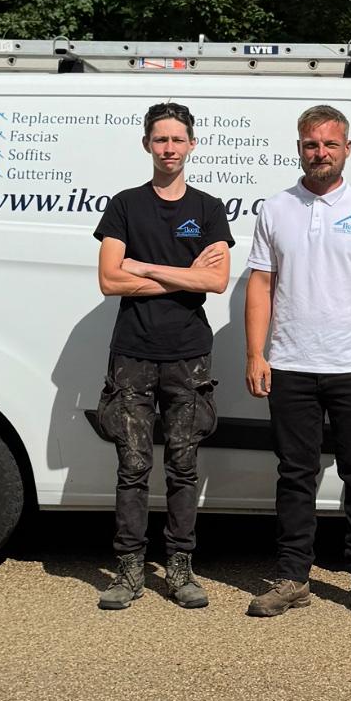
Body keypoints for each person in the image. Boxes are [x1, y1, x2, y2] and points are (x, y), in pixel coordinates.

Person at [243, 104, 351, 620]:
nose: (321, 153)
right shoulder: (276, 208)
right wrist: (255, 353)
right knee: (295, 475)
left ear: (347, 149)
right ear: (299, 148)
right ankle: (292, 577)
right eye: (312, 144)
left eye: (330, 144)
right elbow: (260, 286)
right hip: (289, 363)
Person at [93, 102, 234, 611]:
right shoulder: (125, 205)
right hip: (132, 353)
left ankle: (180, 569)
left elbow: (215, 281)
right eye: (160, 140)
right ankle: (128, 571)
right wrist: (181, 274)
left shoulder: (209, 208)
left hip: (188, 355)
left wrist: (145, 267)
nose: (169, 149)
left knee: (182, 467)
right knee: (132, 468)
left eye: (177, 140)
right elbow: (110, 280)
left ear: (192, 145)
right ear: (147, 144)